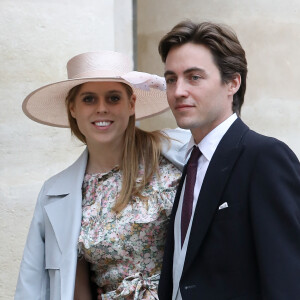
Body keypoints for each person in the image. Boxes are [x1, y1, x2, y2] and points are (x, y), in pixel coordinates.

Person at [14, 50, 191, 299]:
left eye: (113, 98)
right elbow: (40, 284)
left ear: (131, 104)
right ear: (72, 108)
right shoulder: (56, 193)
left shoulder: (179, 152)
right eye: (88, 99)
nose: (101, 109)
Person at [157, 20, 300, 300]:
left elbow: (287, 279)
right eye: (171, 79)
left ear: (233, 83)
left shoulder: (265, 157)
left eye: (194, 77)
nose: (178, 91)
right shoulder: (190, 163)